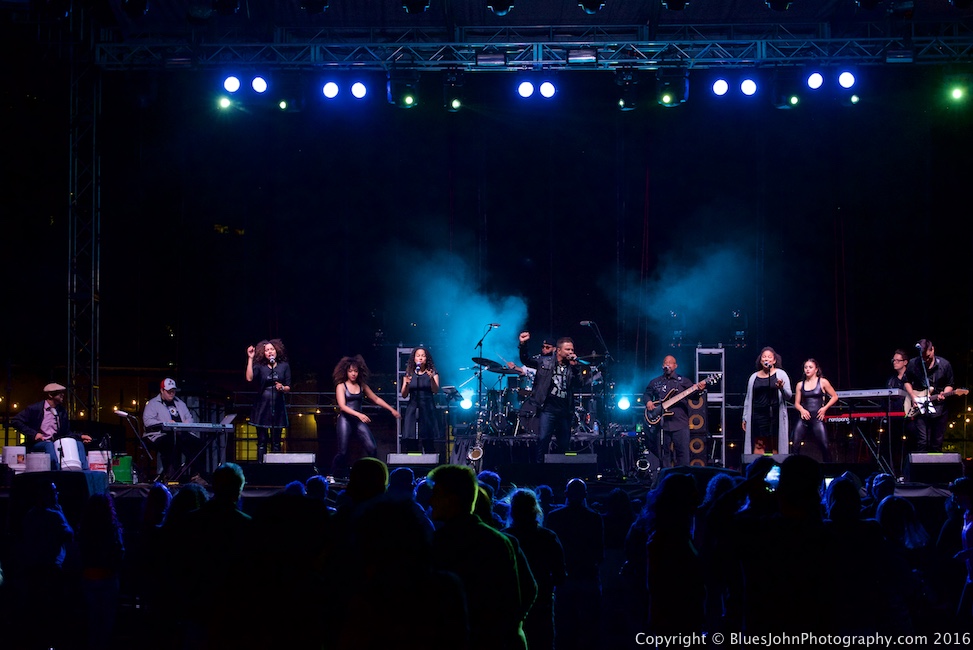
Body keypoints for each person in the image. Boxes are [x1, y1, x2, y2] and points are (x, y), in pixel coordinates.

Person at [518, 332, 588, 462]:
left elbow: (579, 384)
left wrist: (576, 368)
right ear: (559, 350)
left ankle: (561, 473)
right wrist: (523, 344)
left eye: (572, 349)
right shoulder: (544, 361)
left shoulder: (571, 367)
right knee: (543, 440)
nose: (571, 352)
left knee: (564, 444)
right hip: (548, 408)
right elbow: (525, 360)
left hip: (565, 411)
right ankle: (540, 471)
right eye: (567, 349)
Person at [331, 354, 400, 477]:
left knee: (372, 448)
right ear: (346, 371)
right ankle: (333, 475)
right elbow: (342, 406)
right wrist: (359, 415)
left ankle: (373, 475)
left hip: (358, 421)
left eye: (355, 371)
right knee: (343, 451)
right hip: (345, 419)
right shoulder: (341, 386)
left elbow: (376, 399)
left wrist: (391, 409)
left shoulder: (362, 386)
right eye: (350, 371)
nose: (353, 374)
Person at [642, 355, 708, 468]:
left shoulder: (683, 381)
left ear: (675, 366)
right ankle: (665, 479)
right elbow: (647, 394)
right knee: (663, 455)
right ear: (662, 366)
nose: (667, 364)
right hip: (662, 425)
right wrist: (648, 402)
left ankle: (682, 478)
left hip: (680, 424)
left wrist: (699, 390)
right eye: (665, 362)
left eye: (670, 362)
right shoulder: (655, 382)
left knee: (683, 455)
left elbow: (694, 397)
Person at [11, 382, 91, 471]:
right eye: (59, 392)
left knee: (78, 444)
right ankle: (56, 471)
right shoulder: (35, 409)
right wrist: (34, 434)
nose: (62, 395)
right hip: (38, 444)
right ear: (50, 395)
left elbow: (66, 433)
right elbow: (15, 421)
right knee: (49, 445)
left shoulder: (61, 411)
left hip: (56, 443)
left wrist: (80, 436)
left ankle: (84, 472)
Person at [142, 377, 206, 481]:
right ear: (162, 390)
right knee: (171, 443)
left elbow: (189, 418)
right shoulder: (153, 404)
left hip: (180, 433)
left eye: (173, 391)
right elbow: (148, 422)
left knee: (199, 444)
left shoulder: (180, 403)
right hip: (160, 434)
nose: (171, 393)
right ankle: (171, 475)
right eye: (168, 391)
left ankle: (196, 475)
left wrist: (185, 424)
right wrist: (165, 424)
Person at [905, 339, 955, 453]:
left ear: (933, 350)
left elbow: (950, 384)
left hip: (939, 408)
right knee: (922, 441)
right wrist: (913, 396)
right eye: (923, 358)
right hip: (921, 407)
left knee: (936, 443)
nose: (926, 360)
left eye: (928, 356)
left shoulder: (944, 364)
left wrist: (945, 393)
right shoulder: (914, 363)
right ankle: (921, 469)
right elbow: (906, 380)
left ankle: (934, 469)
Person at [246, 338, 292, 461]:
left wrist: (282, 387)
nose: (270, 352)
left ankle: (275, 468)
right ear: (263, 353)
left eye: (272, 349)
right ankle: (261, 467)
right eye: (267, 350)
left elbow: (288, 386)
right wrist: (250, 358)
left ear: (277, 351)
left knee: (276, 442)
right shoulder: (260, 367)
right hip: (262, 406)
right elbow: (249, 378)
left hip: (278, 406)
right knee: (262, 441)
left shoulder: (284, 366)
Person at [742, 346, 793, 455]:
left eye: (769, 357)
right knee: (759, 444)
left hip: (775, 415)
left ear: (774, 360)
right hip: (758, 415)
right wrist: (745, 417)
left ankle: (776, 470)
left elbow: (789, 396)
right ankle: (758, 469)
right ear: (760, 360)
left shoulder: (781, 374)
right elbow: (748, 399)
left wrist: (781, 388)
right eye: (764, 357)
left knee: (775, 444)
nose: (766, 359)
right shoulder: (753, 377)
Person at [792, 358, 839, 463]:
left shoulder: (822, 382)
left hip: (817, 418)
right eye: (806, 367)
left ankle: (828, 469)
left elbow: (835, 396)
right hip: (804, 418)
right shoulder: (800, 384)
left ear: (816, 369)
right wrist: (802, 410)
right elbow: (796, 403)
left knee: (824, 445)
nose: (807, 369)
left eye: (810, 367)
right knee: (795, 444)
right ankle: (793, 469)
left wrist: (824, 408)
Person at [400, 346, 441, 455]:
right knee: (411, 438)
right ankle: (414, 465)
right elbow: (404, 395)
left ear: (427, 358)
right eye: (418, 356)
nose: (420, 358)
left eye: (423, 356)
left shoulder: (432, 372)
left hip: (427, 407)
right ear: (414, 358)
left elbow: (435, 390)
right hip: (413, 407)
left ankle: (429, 466)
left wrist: (431, 378)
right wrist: (406, 384)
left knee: (427, 439)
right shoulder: (409, 373)